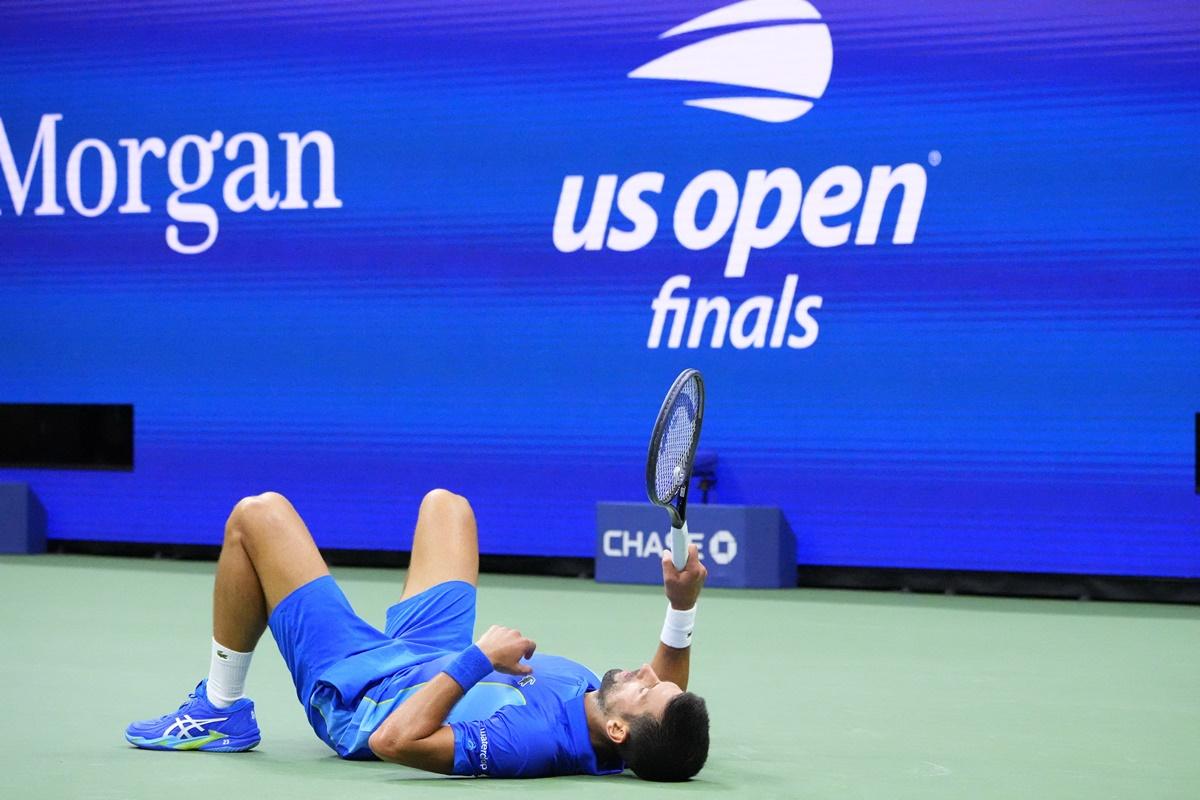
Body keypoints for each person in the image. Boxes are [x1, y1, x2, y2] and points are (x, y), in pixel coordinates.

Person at [125, 489, 710, 780]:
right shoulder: (603, 710)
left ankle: (220, 709)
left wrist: (478, 658)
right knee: (447, 507)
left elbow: (394, 742)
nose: (646, 672)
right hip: (427, 655)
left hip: (366, 691)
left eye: (644, 689)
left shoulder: (526, 741)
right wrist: (680, 609)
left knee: (257, 515)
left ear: (616, 728)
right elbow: (667, 704)